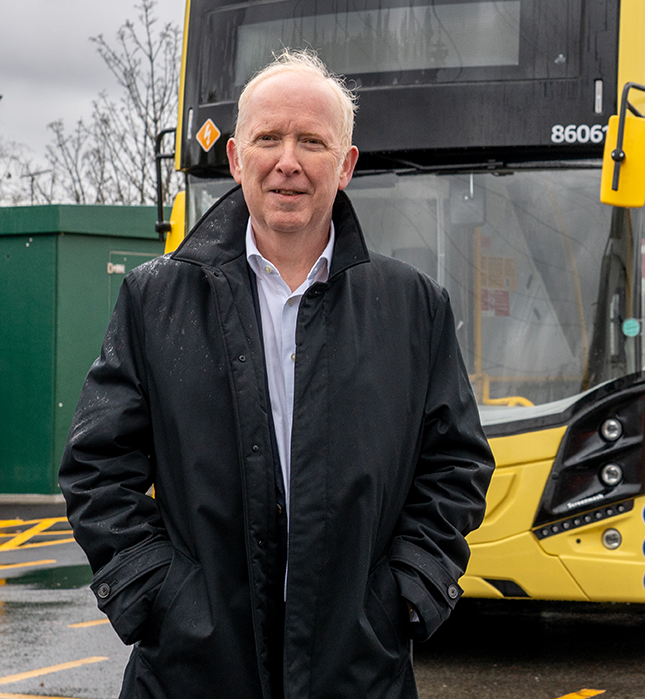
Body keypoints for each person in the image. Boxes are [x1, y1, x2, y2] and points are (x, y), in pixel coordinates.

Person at [59, 49, 494, 699]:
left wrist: (404, 593)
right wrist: (158, 597)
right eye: (269, 137)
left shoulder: (413, 307)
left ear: (345, 166)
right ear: (237, 157)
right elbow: (98, 466)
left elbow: (455, 465)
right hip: (191, 673)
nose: (287, 160)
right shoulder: (157, 299)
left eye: (311, 141)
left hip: (359, 672)